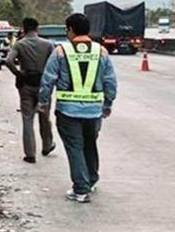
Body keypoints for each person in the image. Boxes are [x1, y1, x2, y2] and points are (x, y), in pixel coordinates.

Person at [38, 13, 117, 203]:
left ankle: (81, 189)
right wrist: (108, 104)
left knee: (75, 148)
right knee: (90, 144)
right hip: (94, 111)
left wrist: (43, 102)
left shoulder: (60, 52)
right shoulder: (101, 52)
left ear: (70, 30)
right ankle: (90, 179)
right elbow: (110, 81)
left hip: (68, 111)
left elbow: (48, 79)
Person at [4, 17, 55, 163]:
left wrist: (18, 74)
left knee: (27, 119)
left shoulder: (20, 45)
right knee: (44, 116)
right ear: (37, 29)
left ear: (23, 28)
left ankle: (30, 154)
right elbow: (54, 65)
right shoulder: (48, 44)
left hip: (26, 85)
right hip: (43, 85)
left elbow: (8, 61)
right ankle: (47, 145)